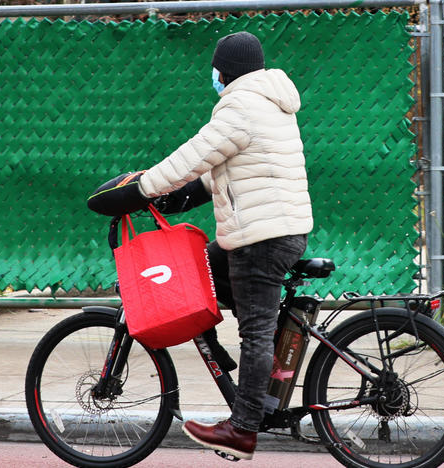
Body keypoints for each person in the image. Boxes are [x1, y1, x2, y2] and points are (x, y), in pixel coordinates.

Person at [138, 31, 313, 460]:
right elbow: (226, 164)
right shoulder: (270, 100)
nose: (213, 76)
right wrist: (181, 196)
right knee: (201, 266)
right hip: (280, 229)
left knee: (255, 331)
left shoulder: (240, 105)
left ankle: (243, 427)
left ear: (226, 70)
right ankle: (225, 360)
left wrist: (140, 188)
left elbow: (194, 155)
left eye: (215, 68)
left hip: (261, 239)